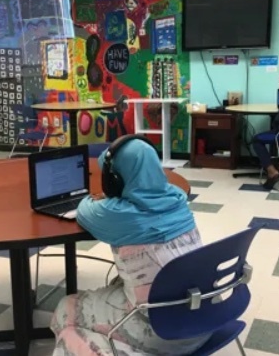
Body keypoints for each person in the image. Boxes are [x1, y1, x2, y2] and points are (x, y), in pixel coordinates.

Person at [50, 135, 210, 355]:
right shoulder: (178, 197)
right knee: (117, 283)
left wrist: (107, 196)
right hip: (204, 318)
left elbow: (83, 210)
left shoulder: (117, 214)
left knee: (65, 308)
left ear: (114, 181)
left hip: (158, 332)